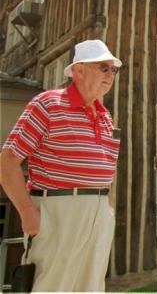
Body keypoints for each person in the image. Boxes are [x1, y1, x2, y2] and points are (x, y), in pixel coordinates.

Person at [0, 39, 122, 291]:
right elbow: (8, 161)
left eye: (114, 69)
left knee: (90, 287)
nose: (110, 75)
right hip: (57, 209)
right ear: (78, 70)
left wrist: (107, 207)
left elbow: (107, 170)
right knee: (52, 285)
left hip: (98, 212)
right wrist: (27, 212)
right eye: (103, 67)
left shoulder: (105, 116)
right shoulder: (47, 104)